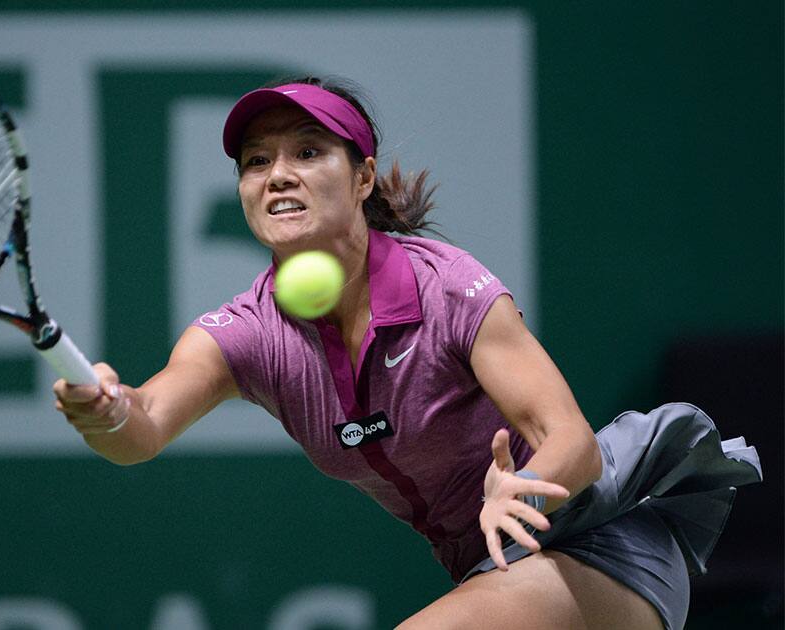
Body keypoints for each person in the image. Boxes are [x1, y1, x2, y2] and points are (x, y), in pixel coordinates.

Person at [54, 77, 761, 630]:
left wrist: (524, 487)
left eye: (307, 152)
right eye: (256, 161)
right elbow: (143, 426)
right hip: (490, 573)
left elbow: (571, 439)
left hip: (594, 543)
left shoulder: (446, 288)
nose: (277, 175)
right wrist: (106, 409)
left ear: (362, 178)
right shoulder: (248, 333)